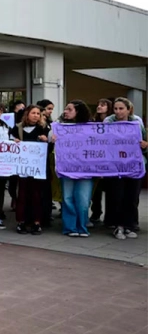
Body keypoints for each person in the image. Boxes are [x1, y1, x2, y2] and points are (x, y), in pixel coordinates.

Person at [103, 97, 147, 239]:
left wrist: (145, 145)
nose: (118, 111)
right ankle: (118, 226)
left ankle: (129, 225)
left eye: (121, 108)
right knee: (117, 196)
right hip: (115, 166)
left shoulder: (137, 122)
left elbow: (144, 140)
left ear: (129, 109)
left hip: (134, 165)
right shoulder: (108, 122)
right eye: (116, 108)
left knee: (132, 197)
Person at [53, 101, 94, 237]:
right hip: (67, 169)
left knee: (83, 200)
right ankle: (70, 228)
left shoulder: (91, 128)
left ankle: (82, 227)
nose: (65, 111)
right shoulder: (59, 127)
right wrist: (51, 138)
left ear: (78, 111)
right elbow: (49, 137)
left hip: (85, 171)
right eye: (65, 109)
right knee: (67, 198)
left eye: (69, 109)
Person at [10, 105, 51, 234]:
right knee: (22, 195)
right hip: (22, 168)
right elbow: (8, 143)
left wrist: (47, 141)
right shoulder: (18, 128)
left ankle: (37, 222)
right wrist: (13, 142)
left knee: (37, 195)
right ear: (27, 114)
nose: (36, 115)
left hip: (38, 169)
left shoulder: (44, 128)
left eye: (38, 113)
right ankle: (21, 222)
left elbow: (50, 149)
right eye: (33, 113)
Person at [90, 98, 114, 225]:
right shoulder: (93, 122)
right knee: (96, 190)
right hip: (96, 159)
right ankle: (96, 213)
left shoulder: (112, 122)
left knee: (110, 190)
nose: (99, 107)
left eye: (103, 105)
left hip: (109, 160)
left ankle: (110, 217)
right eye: (98, 104)